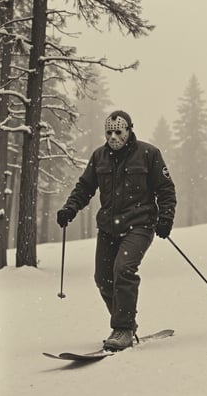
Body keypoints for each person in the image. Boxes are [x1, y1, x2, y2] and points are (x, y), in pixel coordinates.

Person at [56, 110, 176, 351]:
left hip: (140, 224)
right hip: (109, 227)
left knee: (124, 269)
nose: (113, 137)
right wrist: (70, 208)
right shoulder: (99, 157)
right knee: (102, 278)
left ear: (129, 131)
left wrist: (166, 217)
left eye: (118, 132)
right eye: (109, 132)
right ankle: (127, 323)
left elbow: (165, 189)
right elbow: (85, 187)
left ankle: (122, 328)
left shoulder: (148, 154)